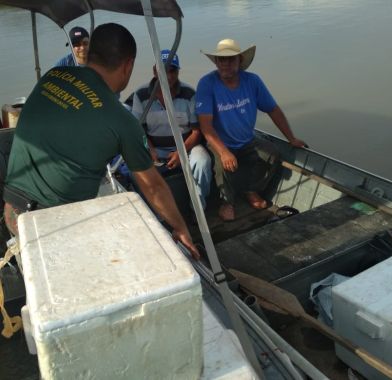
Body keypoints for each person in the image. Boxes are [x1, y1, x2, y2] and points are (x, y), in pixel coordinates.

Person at [3, 23, 199, 259]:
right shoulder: (122, 120)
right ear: (128, 65)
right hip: (54, 225)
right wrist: (181, 228)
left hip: (11, 211)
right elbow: (153, 186)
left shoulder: (53, 77)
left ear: (90, 53)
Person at [195, 38, 306, 221]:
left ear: (240, 61)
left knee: (271, 153)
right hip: (220, 141)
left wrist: (291, 138)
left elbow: (273, 109)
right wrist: (223, 152)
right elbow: (205, 126)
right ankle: (227, 202)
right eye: (221, 60)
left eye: (231, 59)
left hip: (247, 139)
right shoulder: (207, 84)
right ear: (216, 62)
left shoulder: (252, 81)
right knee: (224, 164)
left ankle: (251, 190)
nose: (226, 64)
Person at [129, 49, 212, 209]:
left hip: (186, 147)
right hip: (156, 149)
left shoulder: (189, 94)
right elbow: (137, 130)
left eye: (172, 70)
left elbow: (197, 131)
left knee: (203, 161)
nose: (168, 75)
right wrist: (150, 149)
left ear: (178, 72)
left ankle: (198, 208)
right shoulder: (141, 95)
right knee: (136, 172)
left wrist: (180, 152)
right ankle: (158, 214)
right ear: (155, 71)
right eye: (163, 70)